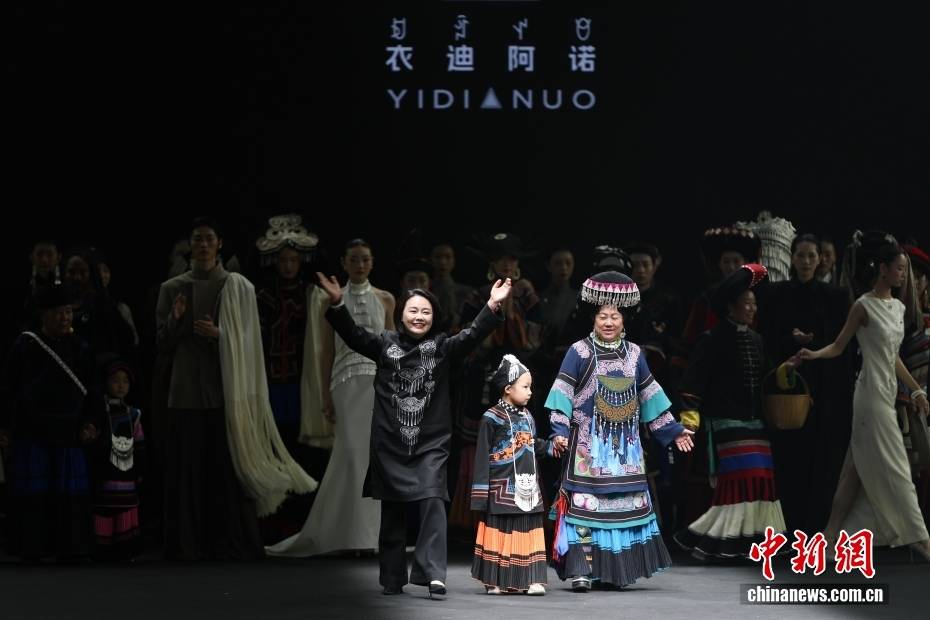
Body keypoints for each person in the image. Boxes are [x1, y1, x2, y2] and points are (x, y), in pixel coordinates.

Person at [315, 270, 512, 597]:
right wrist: (337, 303)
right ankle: (392, 578)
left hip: (431, 443)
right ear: (401, 314)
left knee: (433, 500)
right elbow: (353, 335)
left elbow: (473, 334)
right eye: (413, 310)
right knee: (393, 510)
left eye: (425, 312)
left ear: (434, 317)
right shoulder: (384, 344)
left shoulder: (442, 347)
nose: (419, 317)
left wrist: (492, 304)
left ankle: (432, 573)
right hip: (390, 442)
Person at [157, 216, 315, 561]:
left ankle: (229, 541)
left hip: (227, 391)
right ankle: (187, 544)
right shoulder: (172, 288)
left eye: (208, 239)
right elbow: (162, 344)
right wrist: (175, 320)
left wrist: (220, 336)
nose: (203, 245)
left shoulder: (236, 286)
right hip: (185, 391)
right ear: (190, 245)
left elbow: (251, 340)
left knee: (225, 470)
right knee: (188, 472)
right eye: (197, 239)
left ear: (219, 244)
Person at [547, 270, 694, 591]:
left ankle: (617, 571)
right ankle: (582, 570)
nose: (609, 322)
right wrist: (559, 431)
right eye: (603, 316)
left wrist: (674, 430)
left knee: (624, 509)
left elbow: (650, 396)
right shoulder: (578, 352)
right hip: (587, 449)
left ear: (623, 320)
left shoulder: (636, 354)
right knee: (584, 508)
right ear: (593, 319)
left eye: (614, 316)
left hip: (625, 452)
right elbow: (562, 394)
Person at [797, 238, 930, 560]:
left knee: (853, 472)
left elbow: (893, 356)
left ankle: (829, 539)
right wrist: (813, 354)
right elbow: (839, 346)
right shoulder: (863, 306)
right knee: (898, 467)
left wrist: (915, 389)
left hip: (887, 392)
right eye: (899, 268)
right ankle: (920, 538)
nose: (904, 275)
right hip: (869, 395)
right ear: (882, 269)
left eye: (905, 270)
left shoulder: (898, 307)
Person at [267, 237, 391, 557]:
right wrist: (324, 394)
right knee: (350, 455)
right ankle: (346, 533)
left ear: (372, 262)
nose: (360, 264)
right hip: (345, 383)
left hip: (377, 384)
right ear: (343, 263)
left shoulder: (385, 299)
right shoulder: (331, 299)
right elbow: (324, 351)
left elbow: (394, 349)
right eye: (354, 259)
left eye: (365, 259)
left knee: (373, 457)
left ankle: (369, 537)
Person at [674, 264, 789, 560]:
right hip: (724, 423)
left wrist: (789, 368)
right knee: (741, 481)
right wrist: (690, 421)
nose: (752, 309)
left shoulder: (757, 340)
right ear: (731, 306)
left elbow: (767, 377)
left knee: (763, 478)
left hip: (755, 424)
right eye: (746, 303)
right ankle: (720, 539)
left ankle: (761, 539)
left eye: (754, 304)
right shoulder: (712, 339)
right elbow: (692, 384)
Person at [1, 284, 99, 563]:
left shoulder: (81, 348)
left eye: (68, 311)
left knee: (69, 493)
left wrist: (91, 422)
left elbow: (93, 389)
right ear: (44, 315)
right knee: (34, 492)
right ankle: (33, 548)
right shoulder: (25, 345)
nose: (65, 317)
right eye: (58, 312)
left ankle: (71, 548)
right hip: (32, 431)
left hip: (69, 431)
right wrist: (4, 427)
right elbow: (8, 388)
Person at [470, 354, 567, 595]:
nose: (530, 392)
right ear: (507, 388)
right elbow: (481, 458)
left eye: (530, 387)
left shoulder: (528, 416)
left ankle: (533, 580)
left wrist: (553, 447)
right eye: (525, 387)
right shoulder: (491, 418)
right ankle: (496, 580)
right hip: (500, 489)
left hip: (527, 486)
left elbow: (531, 444)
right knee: (501, 531)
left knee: (527, 530)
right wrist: (481, 496)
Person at [91, 357, 145, 561]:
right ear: (106, 382)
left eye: (125, 381)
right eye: (115, 380)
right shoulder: (99, 412)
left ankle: (125, 551)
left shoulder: (134, 415)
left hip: (126, 475)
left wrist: (140, 470)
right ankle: (102, 551)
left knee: (125, 509)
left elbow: (140, 445)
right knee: (104, 509)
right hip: (105, 473)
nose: (121, 385)